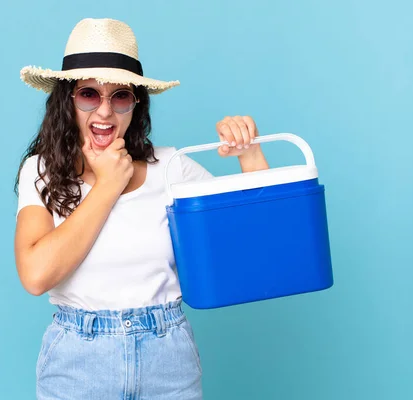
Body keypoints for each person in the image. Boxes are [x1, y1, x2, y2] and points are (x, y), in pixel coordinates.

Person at [14, 18, 269, 400]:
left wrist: (250, 155)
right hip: (77, 363)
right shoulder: (41, 170)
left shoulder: (170, 168)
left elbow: (258, 237)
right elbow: (36, 276)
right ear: (67, 99)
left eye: (120, 96)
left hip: (167, 358)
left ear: (136, 103)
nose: (104, 112)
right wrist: (109, 184)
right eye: (88, 94)